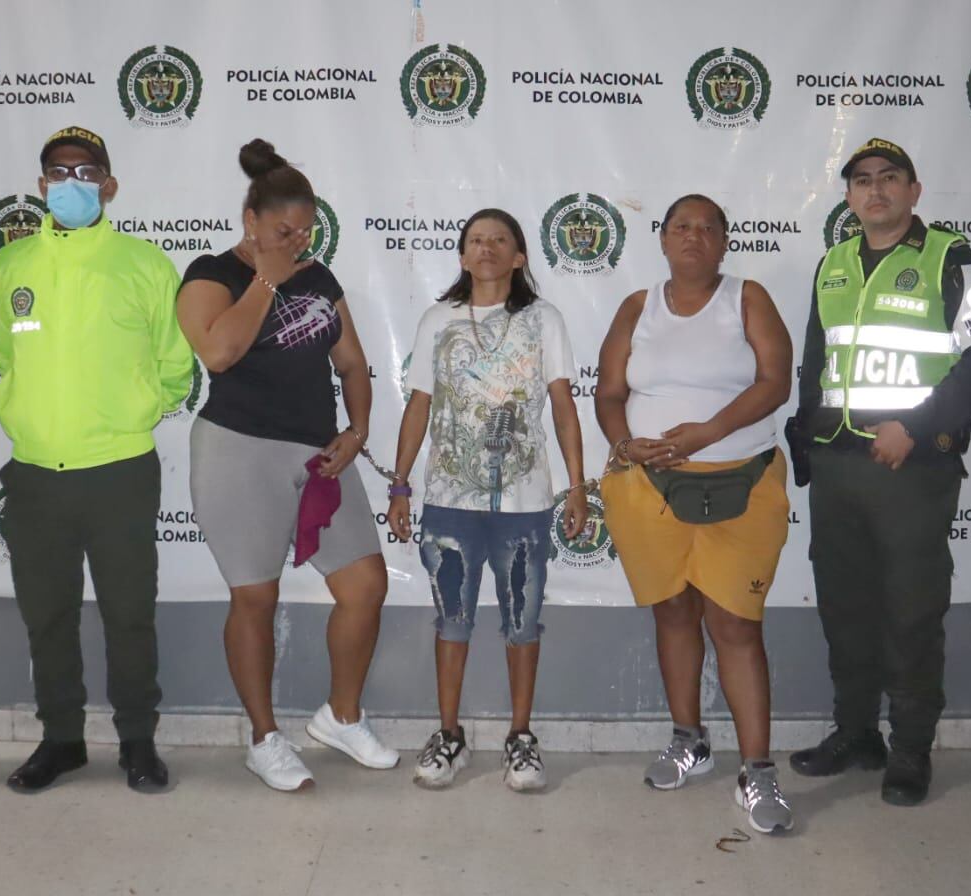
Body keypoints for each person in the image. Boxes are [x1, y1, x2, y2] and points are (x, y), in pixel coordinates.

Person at [785, 138, 971, 806]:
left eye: (890, 178)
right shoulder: (834, 263)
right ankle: (856, 734)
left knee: (911, 614)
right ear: (849, 197)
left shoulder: (951, 258)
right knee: (846, 610)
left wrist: (915, 428)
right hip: (840, 469)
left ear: (915, 191)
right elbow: (815, 365)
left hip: (912, 472)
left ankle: (911, 750)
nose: (875, 190)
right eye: (861, 180)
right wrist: (809, 448)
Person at [177, 139, 395, 791]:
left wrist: (356, 430)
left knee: (365, 586)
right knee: (255, 598)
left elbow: (351, 362)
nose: (296, 240)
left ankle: (342, 716)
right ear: (251, 219)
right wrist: (267, 277)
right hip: (238, 450)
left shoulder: (320, 279)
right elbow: (219, 353)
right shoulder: (212, 274)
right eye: (282, 229)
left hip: (318, 454)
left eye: (305, 230)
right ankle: (264, 738)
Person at [0, 125, 193, 793]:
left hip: (120, 471)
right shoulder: (8, 268)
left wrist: (133, 412)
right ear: (41, 185)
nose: (72, 183)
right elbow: (5, 360)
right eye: (58, 171)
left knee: (130, 613)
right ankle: (62, 740)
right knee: (47, 614)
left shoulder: (146, 265)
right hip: (37, 472)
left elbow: (175, 366)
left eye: (86, 171)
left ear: (109, 184)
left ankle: (137, 741)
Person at [594, 194, 796, 833]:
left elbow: (775, 383)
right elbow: (609, 392)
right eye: (681, 226)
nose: (694, 237)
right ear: (662, 239)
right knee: (674, 613)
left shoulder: (748, 297)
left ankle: (759, 772)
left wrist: (704, 434)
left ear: (725, 241)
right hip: (648, 489)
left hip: (742, 482)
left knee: (736, 626)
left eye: (708, 227)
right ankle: (689, 740)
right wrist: (623, 442)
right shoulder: (638, 307)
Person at [387, 208, 587, 792]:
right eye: (476, 240)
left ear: (520, 256)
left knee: (522, 622)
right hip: (450, 502)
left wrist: (576, 485)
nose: (487, 248)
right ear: (462, 254)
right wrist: (400, 483)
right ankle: (448, 734)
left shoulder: (543, 319)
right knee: (452, 620)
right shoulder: (437, 320)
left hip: (525, 503)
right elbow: (419, 404)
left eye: (500, 240)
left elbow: (564, 407)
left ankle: (520, 736)